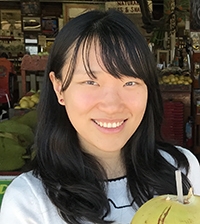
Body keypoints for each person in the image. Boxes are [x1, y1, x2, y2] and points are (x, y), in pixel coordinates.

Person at [0, 9, 200, 224]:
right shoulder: (30, 202)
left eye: (130, 82)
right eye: (90, 82)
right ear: (59, 88)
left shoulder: (181, 169)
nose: (112, 106)